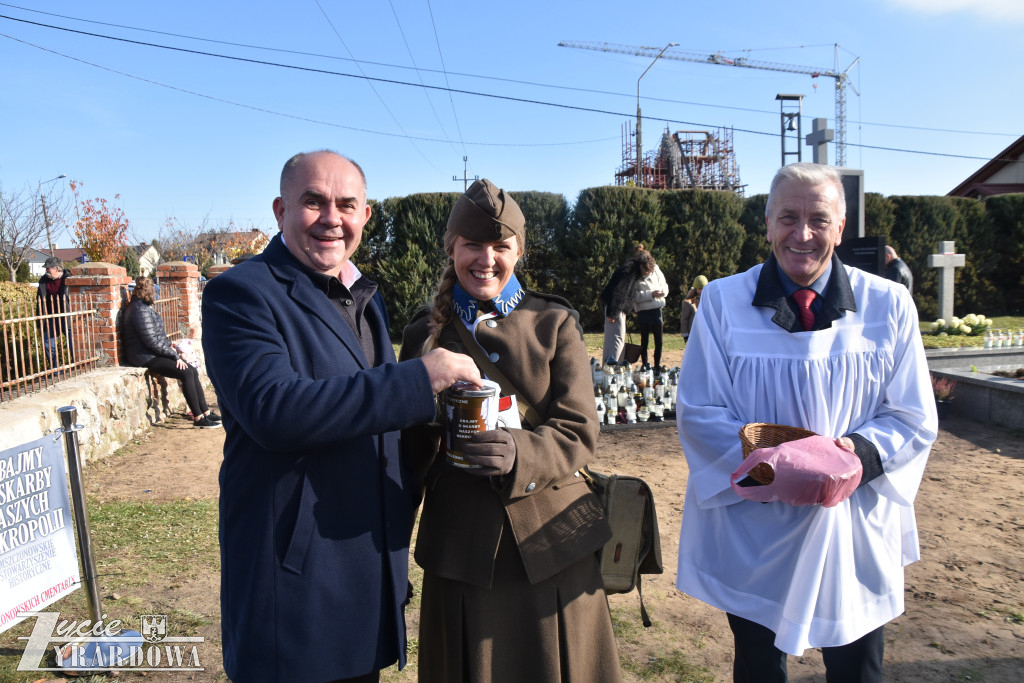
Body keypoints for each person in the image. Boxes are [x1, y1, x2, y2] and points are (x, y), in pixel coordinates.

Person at [200, 150, 481, 683]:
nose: (332, 218)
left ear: (365, 215)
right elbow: (275, 410)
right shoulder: (240, 294)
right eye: (313, 201)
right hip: (297, 580)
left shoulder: (363, 295)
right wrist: (420, 378)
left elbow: (375, 415)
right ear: (281, 211)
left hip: (362, 567)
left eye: (346, 204)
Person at [674, 162, 937, 682]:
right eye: (788, 217)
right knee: (758, 666)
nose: (803, 234)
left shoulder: (889, 305)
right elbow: (699, 412)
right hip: (757, 526)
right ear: (767, 223)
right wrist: (778, 468)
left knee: (858, 668)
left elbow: (912, 415)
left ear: (841, 228)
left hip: (853, 524)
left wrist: (855, 458)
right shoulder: (723, 304)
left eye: (819, 219)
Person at [400, 178, 622, 682]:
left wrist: (521, 453)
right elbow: (408, 453)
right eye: (472, 245)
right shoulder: (422, 333)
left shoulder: (554, 322)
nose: (486, 259)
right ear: (452, 247)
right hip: (460, 551)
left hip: (551, 550)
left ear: (518, 251)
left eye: (501, 246)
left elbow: (579, 428)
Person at [121, 276, 220, 428]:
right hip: (144, 356)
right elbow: (151, 341)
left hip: (150, 352)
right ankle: (198, 418)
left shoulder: (141, 307)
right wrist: (173, 355)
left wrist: (169, 344)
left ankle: (205, 412)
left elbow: (153, 336)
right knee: (186, 373)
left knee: (192, 371)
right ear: (148, 291)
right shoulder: (139, 310)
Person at [598, 245, 648, 363]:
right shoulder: (630, 271)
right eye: (647, 271)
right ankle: (613, 368)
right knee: (616, 340)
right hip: (615, 309)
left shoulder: (631, 269)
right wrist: (613, 312)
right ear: (642, 266)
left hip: (617, 309)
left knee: (615, 339)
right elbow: (620, 292)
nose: (646, 274)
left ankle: (613, 366)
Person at [632, 246, 669, 367]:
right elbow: (634, 296)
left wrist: (663, 292)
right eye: (645, 271)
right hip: (643, 311)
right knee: (645, 340)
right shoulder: (634, 275)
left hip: (657, 309)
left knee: (659, 341)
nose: (647, 273)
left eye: (649, 271)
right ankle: (645, 364)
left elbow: (664, 284)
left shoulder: (656, 269)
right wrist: (651, 294)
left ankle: (657, 366)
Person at [36, 256, 74, 370]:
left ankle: (78, 367)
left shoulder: (68, 278)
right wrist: (40, 322)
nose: (46, 271)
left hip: (66, 316)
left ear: (57, 268)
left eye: (48, 268)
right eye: (46, 269)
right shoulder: (43, 281)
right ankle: (55, 369)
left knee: (72, 343)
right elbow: (39, 302)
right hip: (51, 317)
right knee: (48, 344)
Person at [679, 274, 706, 340]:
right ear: (695, 289)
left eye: (703, 288)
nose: (701, 291)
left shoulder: (708, 300)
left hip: (705, 333)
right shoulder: (688, 302)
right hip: (693, 334)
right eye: (699, 289)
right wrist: (685, 335)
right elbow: (684, 319)